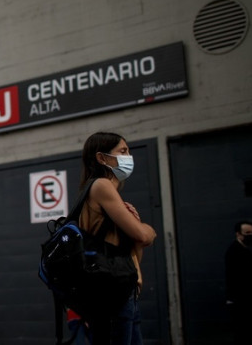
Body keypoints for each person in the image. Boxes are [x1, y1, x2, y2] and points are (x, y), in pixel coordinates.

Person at [77, 132, 157, 344]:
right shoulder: (101, 186)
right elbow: (142, 236)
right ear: (102, 158)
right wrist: (149, 229)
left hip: (121, 292)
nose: (128, 156)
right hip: (113, 295)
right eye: (122, 151)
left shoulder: (96, 191)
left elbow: (131, 249)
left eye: (129, 151)